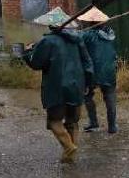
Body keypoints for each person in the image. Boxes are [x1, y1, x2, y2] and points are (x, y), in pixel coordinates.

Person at [23, 27, 93, 163]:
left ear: (51, 26)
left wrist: (27, 52)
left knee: (54, 121)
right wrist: (88, 83)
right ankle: (70, 156)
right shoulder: (78, 39)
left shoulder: (47, 41)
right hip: (76, 86)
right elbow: (87, 63)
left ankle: (69, 147)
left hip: (56, 87)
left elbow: (36, 63)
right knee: (72, 121)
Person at [78, 7, 118, 133]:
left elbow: (76, 41)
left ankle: (94, 122)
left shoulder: (87, 35)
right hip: (109, 69)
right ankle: (112, 126)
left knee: (87, 96)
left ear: (90, 22)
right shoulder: (110, 34)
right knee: (110, 96)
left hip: (92, 71)